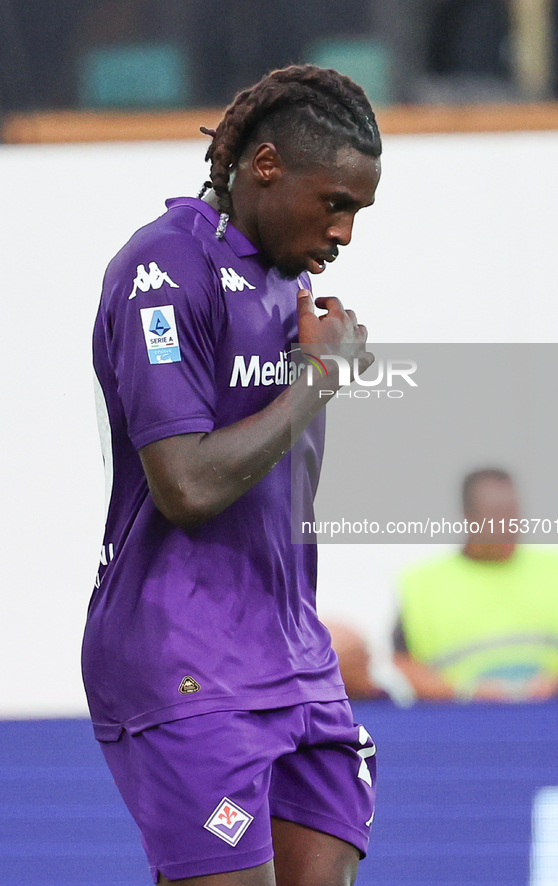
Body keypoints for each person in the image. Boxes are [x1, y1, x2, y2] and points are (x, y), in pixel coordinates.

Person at [83, 65, 381, 886]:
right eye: (336, 204)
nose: (346, 232)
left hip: (293, 655)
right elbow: (186, 488)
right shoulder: (163, 268)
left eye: (357, 210)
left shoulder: (291, 280)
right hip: (183, 655)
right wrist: (316, 384)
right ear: (266, 166)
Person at [393, 469, 558, 702]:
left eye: (513, 511)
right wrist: (467, 693)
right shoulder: (423, 584)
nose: (509, 524)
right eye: (497, 514)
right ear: (468, 517)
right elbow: (404, 663)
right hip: (464, 725)